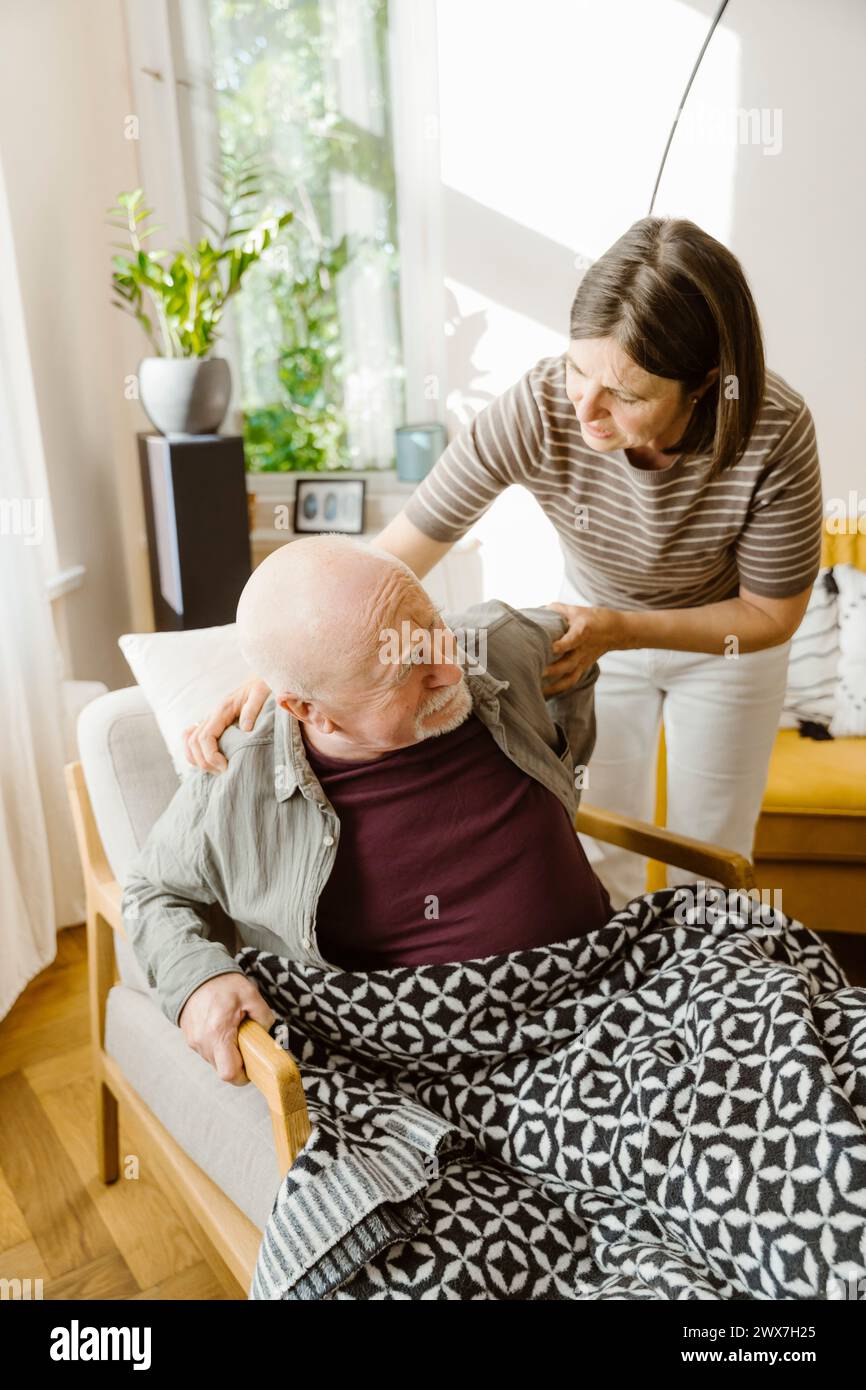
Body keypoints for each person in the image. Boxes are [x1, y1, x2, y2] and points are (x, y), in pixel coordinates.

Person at [187, 216, 823, 907]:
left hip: (721, 643)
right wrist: (278, 662)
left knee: (712, 862)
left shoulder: (773, 428)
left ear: (704, 385)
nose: (587, 407)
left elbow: (770, 612)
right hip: (591, 635)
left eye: (626, 394)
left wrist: (625, 627)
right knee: (600, 845)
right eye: (578, 369)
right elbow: (403, 549)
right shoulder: (542, 406)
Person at [122, 535, 611, 1084]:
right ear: (310, 710)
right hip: (440, 1069)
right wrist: (197, 981)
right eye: (407, 668)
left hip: (611, 981)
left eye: (433, 627)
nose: (451, 670)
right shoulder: (238, 774)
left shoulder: (493, 642)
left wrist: (565, 776)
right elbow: (151, 893)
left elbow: (579, 639)